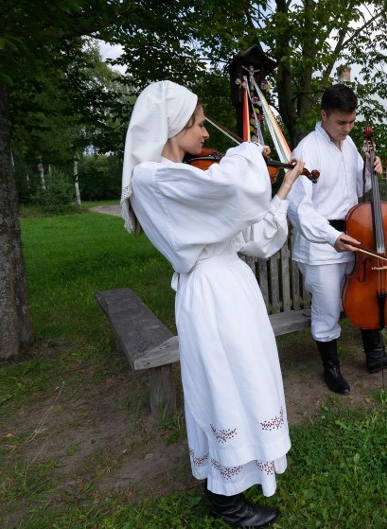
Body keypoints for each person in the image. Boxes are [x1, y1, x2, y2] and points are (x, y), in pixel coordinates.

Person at [121, 80, 304, 528]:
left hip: (231, 286)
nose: (206, 134)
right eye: (199, 124)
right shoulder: (153, 178)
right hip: (210, 294)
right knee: (223, 386)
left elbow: (249, 234)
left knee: (246, 380)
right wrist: (247, 152)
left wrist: (283, 188)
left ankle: (236, 477)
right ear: (173, 125)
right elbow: (233, 189)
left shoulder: (187, 179)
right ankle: (225, 498)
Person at [286, 84, 387, 395]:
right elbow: (298, 207)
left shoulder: (351, 144)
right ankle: (332, 369)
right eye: (341, 122)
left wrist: (371, 169)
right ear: (323, 115)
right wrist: (331, 236)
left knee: (367, 295)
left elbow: (359, 187)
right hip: (321, 244)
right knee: (327, 308)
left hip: (355, 236)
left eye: (352, 122)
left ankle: (375, 357)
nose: (348, 128)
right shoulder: (306, 150)